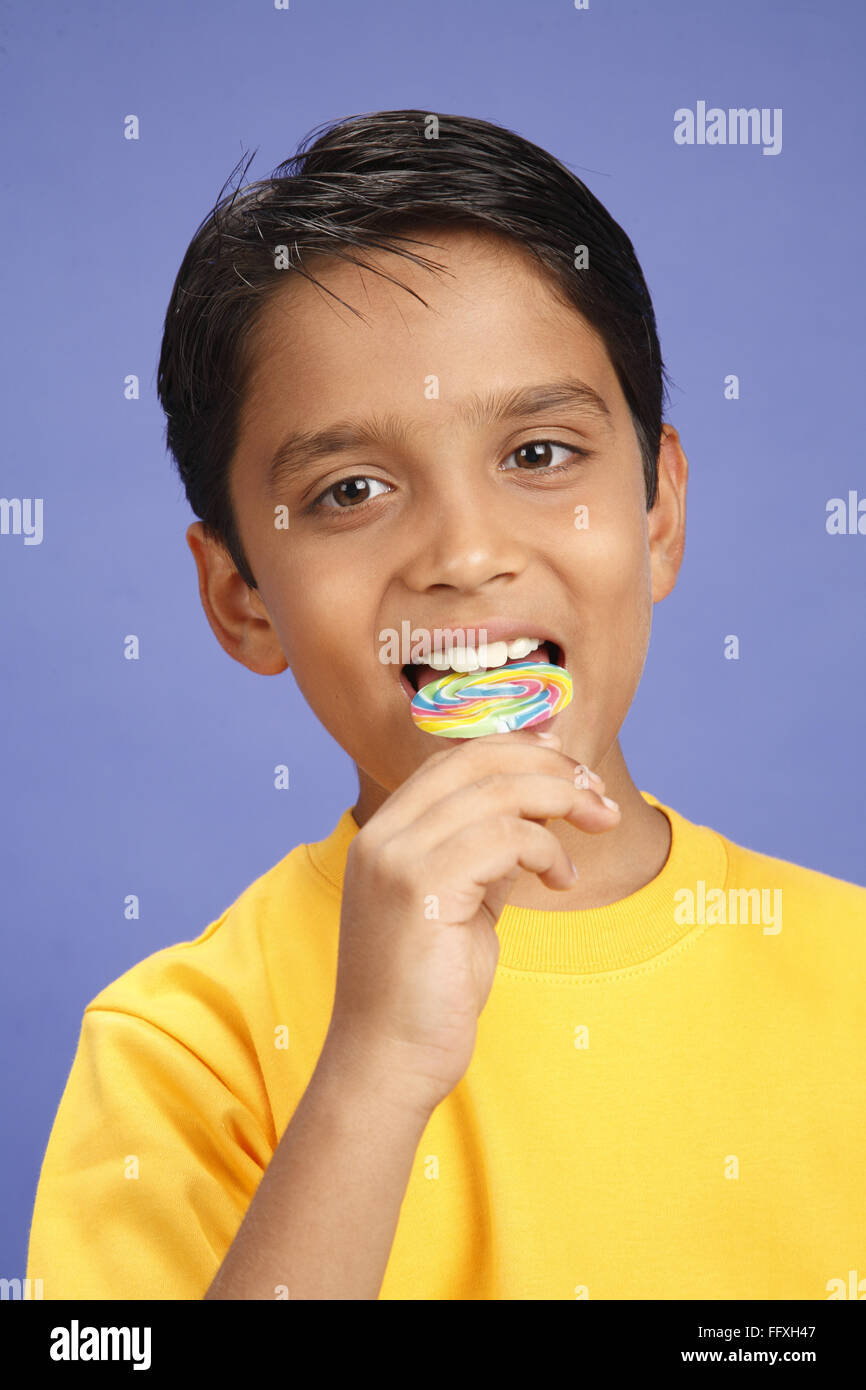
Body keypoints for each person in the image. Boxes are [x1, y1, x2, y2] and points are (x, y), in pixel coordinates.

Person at [26, 109, 866, 1301]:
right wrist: (370, 1073)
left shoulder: (849, 980)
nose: (465, 555)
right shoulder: (180, 1047)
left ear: (658, 514)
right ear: (242, 598)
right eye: (350, 489)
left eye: (538, 454)